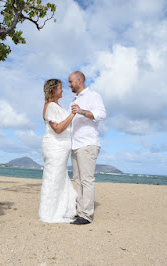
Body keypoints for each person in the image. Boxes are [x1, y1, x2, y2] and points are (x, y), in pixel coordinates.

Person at [68, 71, 106, 225]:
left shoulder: (93, 96)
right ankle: (80, 211)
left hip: (88, 144)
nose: (69, 85)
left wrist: (82, 111)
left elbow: (102, 114)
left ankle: (87, 215)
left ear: (79, 80)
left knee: (87, 180)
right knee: (78, 180)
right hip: (75, 145)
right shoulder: (73, 100)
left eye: (71, 82)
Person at [39, 79, 78, 223]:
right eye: (60, 88)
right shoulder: (50, 106)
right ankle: (49, 213)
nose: (62, 91)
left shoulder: (56, 106)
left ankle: (64, 209)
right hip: (55, 147)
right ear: (53, 90)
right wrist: (72, 115)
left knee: (60, 178)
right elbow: (58, 128)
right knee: (53, 178)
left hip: (62, 148)